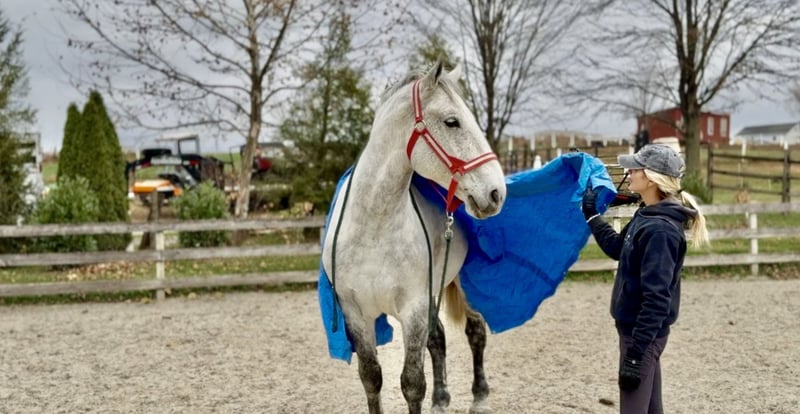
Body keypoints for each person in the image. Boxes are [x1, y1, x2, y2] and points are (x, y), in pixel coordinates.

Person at [582, 144, 710, 414]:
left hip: (641, 336)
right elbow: (618, 248)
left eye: (635, 168)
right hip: (638, 333)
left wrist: (637, 353)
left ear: (651, 178)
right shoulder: (646, 215)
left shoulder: (660, 231)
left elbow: (657, 299)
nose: (628, 172)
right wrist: (592, 215)